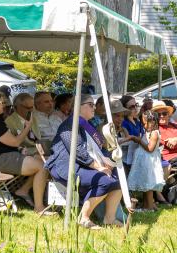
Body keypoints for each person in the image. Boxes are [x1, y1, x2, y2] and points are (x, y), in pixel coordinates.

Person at [45, 94, 123, 228]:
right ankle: (84, 217)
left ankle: (109, 218)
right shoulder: (70, 124)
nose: (94, 108)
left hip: (82, 165)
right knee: (104, 181)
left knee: (118, 181)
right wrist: (98, 167)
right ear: (78, 107)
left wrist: (108, 163)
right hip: (64, 166)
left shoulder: (87, 125)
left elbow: (98, 150)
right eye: (90, 105)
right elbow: (76, 149)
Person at [0, 91, 52, 214]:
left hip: (6, 155)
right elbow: (15, 142)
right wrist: (27, 127)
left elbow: (9, 144)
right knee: (43, 166)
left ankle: (23, 190)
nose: (4, 105)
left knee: (43, 160)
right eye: (1, 103)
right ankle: (39, 207)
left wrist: (21, 149)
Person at [128, 111, 165, 211]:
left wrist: (139, 141)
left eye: (146, 123)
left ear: (153, 122)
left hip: (149, 162)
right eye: (142, 123)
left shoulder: (154, 133)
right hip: (144, 162)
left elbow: (150, 148)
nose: (144, 125)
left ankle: (149, 207)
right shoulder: (148, 132)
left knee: (148, 185)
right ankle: (145, 205)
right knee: (145, 184)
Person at [5, 92, 41, 156]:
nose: (31, 110)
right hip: (24, 154)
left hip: (39, 150)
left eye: (32, 107)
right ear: (17, 107)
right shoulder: (9, 122)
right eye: (28, 108)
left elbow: (38, 139)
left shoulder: (33, 118)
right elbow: (12, 145)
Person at [120, 94, 145, 172]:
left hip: (139, 152)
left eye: (136, 105)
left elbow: (142, 135)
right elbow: (127, 139)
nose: (135, 108)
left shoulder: (137, 121)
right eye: (131, 107)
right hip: (129, 156)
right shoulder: (123, 123)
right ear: (124, 109)